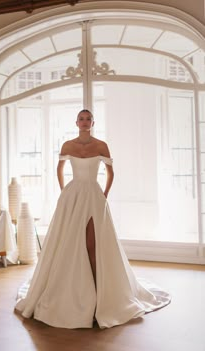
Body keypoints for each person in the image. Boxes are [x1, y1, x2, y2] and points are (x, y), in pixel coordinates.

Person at [15, 109, 171, 329]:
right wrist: (64, 192)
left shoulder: (101, 145)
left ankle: (99, 293)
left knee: (92, 243)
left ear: (93, 123)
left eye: (88, 119)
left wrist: (104, 194)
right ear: (76, 122)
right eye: (81, 118)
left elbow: (111, 172)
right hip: (73, 196)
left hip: (94, 196)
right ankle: (72, 291)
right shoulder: (68, 145)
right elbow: (59, 169)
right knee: (68, 242)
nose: (85, 122)